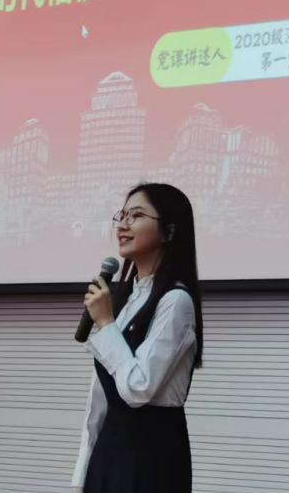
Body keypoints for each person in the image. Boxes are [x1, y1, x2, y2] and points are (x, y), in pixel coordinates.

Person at [72, 183, 205, 492]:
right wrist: (83, 471)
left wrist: (106, 323)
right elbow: (99, 401)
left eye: (137, 215)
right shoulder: (125, 300)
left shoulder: (175, 301)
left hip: (151, 459)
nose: (123, 224)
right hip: (108, 454)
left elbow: (138, 388)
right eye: (122, 215)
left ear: (169, 231)